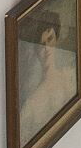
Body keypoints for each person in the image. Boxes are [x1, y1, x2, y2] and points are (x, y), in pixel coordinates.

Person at [18, 10, 77, 141]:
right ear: (35, 49)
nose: (46, 48)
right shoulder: (32, 103)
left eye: (50, 39)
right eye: (41, 44)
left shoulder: (71, 77)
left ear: (56, 38)